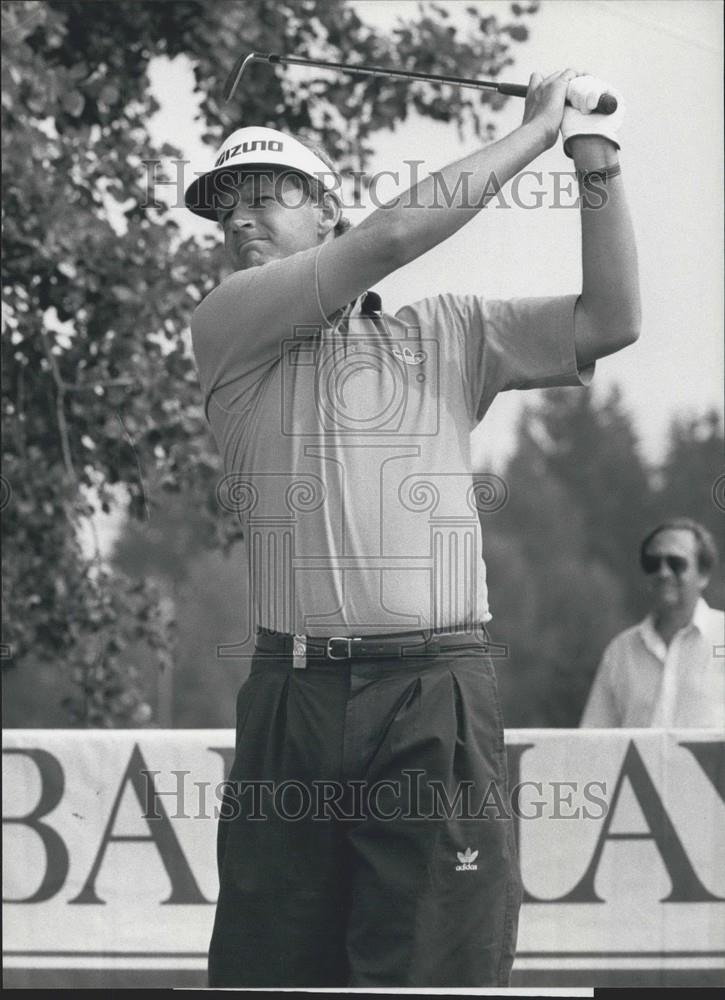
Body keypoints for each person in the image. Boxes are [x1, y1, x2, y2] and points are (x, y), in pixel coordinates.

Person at [184, 70, 640, 987]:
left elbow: (612, 319)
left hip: (436, 691)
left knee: (434, 976)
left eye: (266, 199)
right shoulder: (226, 322)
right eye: (224, 209)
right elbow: (393, 236)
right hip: (294, 697)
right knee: (274, 977)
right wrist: (537, 132)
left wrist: (593, 157)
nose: (238, 222)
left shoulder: (448, 332)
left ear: (324, 214)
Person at [581, 518, 724, 729]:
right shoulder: (621, 652)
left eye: (676, 563)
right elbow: (593, 741)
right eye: (653, 564)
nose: (663, 573)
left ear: (703, 575)